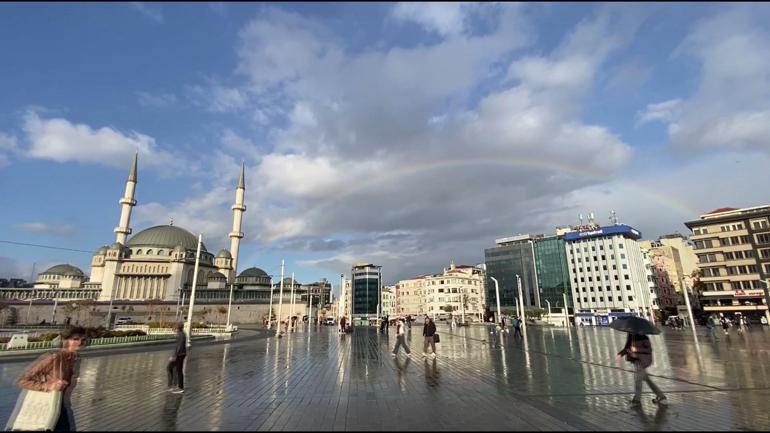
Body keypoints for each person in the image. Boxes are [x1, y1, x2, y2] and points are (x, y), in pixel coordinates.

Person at [15, 326, 87, 431]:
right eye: (75, 339)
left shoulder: (76, 358)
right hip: (47, 405)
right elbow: (22, 380)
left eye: (83, 340)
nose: (80, 342)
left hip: (61, 405)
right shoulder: (53, 357)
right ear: (65, 340)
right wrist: (48, 385)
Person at [616, 332, 667, 406]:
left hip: (643, 360)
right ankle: (661, 396)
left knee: (638, 380)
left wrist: (636, 349)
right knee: (647, 379)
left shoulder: (643, 336)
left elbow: (649, 349)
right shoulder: (631, 335)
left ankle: (636, 400)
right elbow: (627, 347)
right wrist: (621, 354)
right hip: (636, 360)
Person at [167, 322, 187, 394]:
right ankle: (176, 386)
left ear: (178, 328)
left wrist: (174, 356)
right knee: (177, 370)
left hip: (179, 355)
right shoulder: (182, 334)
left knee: (170, 368)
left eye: (175, 328)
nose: (175, 329)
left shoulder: (180, 335)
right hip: (181, 354)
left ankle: (177, 387)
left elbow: (179, 346)